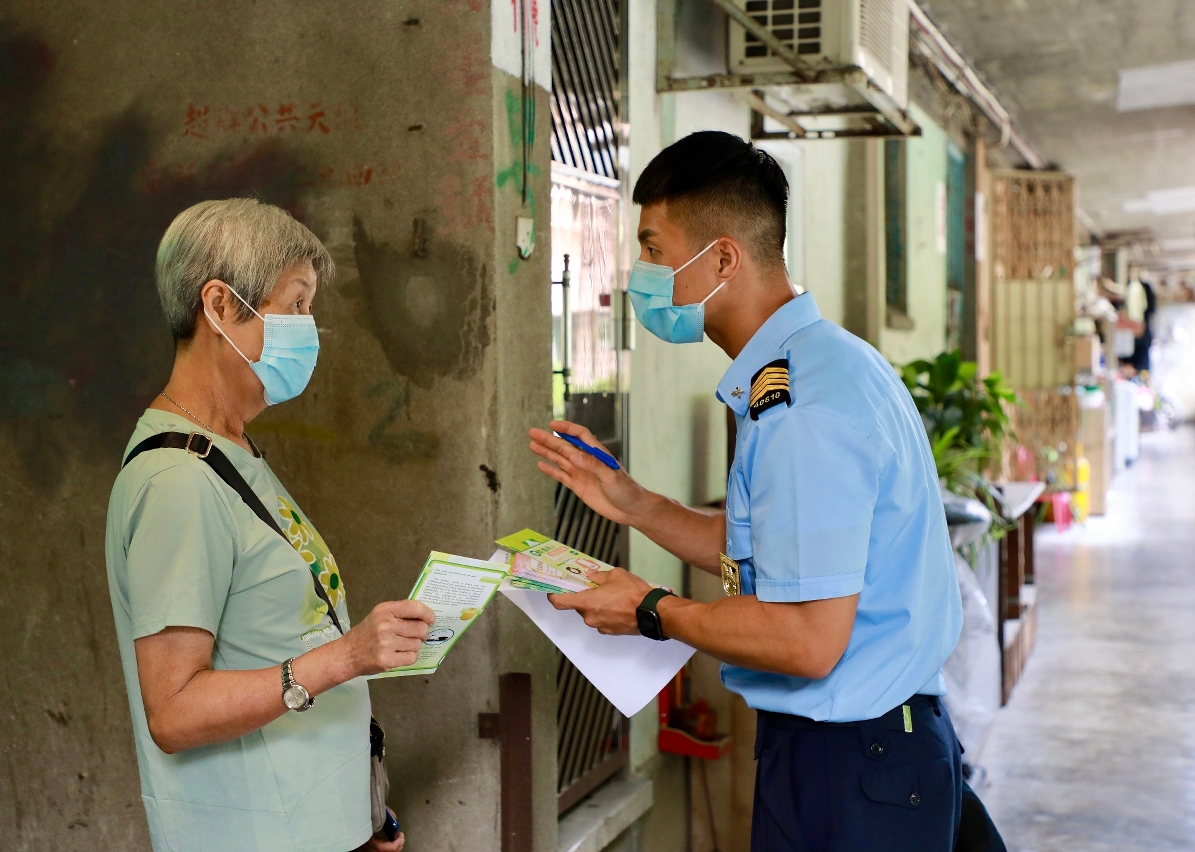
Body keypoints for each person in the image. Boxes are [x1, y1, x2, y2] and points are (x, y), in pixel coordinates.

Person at [528, 132, 964, 851]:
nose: (642, 276)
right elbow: (779, 555)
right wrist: (633, 502)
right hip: (871, 749)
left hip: (854, 764)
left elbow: (807, 641)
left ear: (723, 259)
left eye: (655, 251)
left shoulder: (801, 412)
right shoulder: (824, 365)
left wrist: (651, 610)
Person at [104, 199, 435, 852]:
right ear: (220, 305)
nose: (309, 328)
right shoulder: (177, 480)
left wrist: (360, 816)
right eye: (296, 303)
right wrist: (348, 657)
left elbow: (274, 639)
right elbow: (174, 711)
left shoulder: (230, 451)